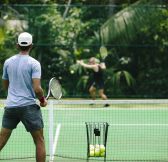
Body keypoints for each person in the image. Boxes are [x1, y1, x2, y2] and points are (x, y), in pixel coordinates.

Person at [0, 32, 47, 162]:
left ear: (17, 45)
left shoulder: (8, 62)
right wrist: (42, 100)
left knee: (1, 140)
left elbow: (5, 84)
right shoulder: (34, 63)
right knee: (39, 141)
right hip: (28, 108)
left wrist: (13, 94)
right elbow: (37, 88)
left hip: (11, 107)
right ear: (31, 45)